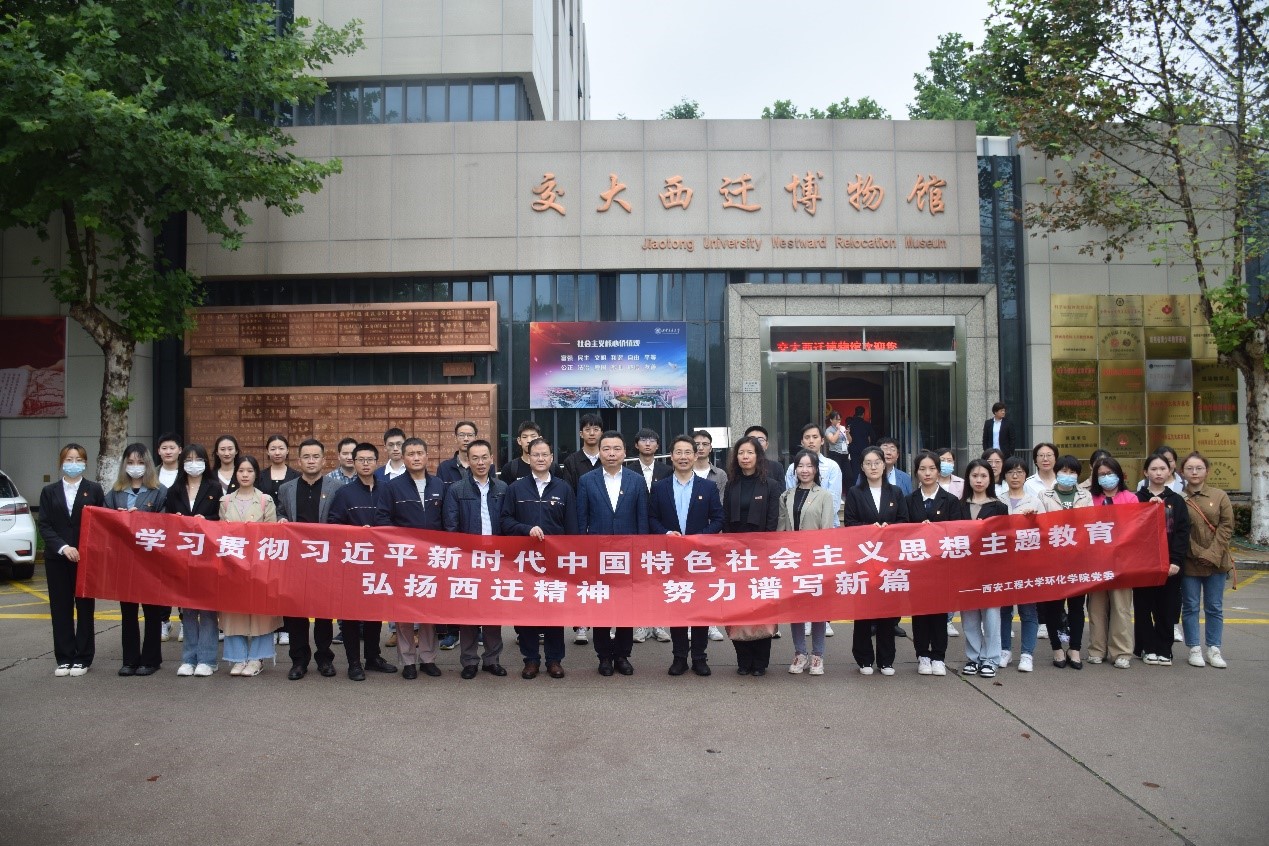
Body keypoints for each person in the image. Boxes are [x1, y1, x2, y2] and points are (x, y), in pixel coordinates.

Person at [500, 437, 578, 679]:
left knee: (554, 610)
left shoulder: (563, 488)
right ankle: (531, 659)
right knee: (527, 611)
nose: (541, 459)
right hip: (525, 562)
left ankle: (554, 660)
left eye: (545, 455)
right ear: (528, 458)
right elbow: (505, 521)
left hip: (555, 562)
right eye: (536, 455)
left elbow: (572, 528)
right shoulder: (516, 488)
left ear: (552, 458)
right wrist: (526, 529)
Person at [650, 434, 724, 677]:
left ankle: (700, 657)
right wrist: (665, 534)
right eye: (678, 452)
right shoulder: (659, 487)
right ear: (671, 457)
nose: (683, 457)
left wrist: (701, 537)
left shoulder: (708, 487)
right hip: (672, 557)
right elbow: (652, 518)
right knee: (677, 605)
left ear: (696, 455)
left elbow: (718, 518)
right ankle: (679, 657)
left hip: (699, 557)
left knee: (700, 607)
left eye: (688, 452)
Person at [577, 430, 649, 676]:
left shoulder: (636, 480)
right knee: (601, 605)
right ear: (599, 452)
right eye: (606, 449)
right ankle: (604, 656)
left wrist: (641, 553)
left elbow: (642, 520)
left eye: (616, 449)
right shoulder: (587, 480)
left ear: (625, 452)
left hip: (628, 555)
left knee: (626, 606)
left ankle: (622, 655)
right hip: (598, 555)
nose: (611, 453)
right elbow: (581, 520)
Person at [327, 442, 399, 681]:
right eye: (361, 460)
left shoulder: (387, 489)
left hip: (380, 562)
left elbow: (396, 520)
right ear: (354, 462)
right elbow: (334, 524)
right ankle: (354, 663)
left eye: (370, 459)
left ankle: (373, 657)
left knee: (374, 613)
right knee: (350, 614)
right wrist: (357, 532)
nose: (366, 464)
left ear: (377, 462)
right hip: (353, 561)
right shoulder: (344, 493)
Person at [376, 437, 446, 679]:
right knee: (404, 610)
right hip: (403, 558)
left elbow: (446, 520)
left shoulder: (439, 484)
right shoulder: (392, 487)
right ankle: (407, 661)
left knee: (428, 610)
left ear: (427, 455)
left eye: (419, 453)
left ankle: (428, 658)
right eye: (411, 454)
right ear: (403, 458)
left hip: (431, 558)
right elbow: (383, 519)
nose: (416, 458)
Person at [275, 438, 343, 680]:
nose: (311, 461)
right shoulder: (287, 488)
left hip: (325, 560)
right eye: (306, 457)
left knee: (324, 611)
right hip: (296, 560)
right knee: (296, 612)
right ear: (299, 460)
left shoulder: (336, 488)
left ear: (324, 460)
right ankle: (299, 660)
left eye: (316, 457)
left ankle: (324, 658)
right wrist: (281, 520)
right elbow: (280, 513)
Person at [442, 438, 508, 678]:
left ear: (492, 459)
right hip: (468, 559)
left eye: (484, 457)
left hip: (495, 558)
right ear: (467, 461)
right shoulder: (456, 490)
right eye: (475, 458)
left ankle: (492, 659)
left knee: (492, 610)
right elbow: (451, 527)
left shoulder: (502, 488)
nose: (480, 462)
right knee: (468, 611)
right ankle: (469, 661)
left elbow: (507, 522)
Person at [38, 443, 105, 677]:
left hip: (85, 559)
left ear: (85, 463)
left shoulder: (94, 489)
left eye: (78, 459)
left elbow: (102, 522)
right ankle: (64, 657)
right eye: (69, 459)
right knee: (60, 608)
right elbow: (44, 525)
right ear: (61, 462)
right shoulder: (49, 491)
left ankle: (83, 657)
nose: (73, 464)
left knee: (85, 607)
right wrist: (63, 547)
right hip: (57, 558)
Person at [104, 443, 169, 677]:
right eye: (130, 462)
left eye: (140, 462)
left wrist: (141, 519)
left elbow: (166, 524)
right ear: (124, 465)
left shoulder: (159, 491)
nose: (135, 467)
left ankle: (151, 660)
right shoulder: (115, 492)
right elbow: (104, 522)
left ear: (148, 465)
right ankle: (130, 660)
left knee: (152, 612)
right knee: (128, 612)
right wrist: (118, 518)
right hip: (124, 561)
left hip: (150, 562)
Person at [844, 446, 909, 676]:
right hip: (863, 560)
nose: (873, 467)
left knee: (887, 611)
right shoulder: (855, 492)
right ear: (862, 467)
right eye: (868, 463)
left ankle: (886, 660)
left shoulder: (896, 493)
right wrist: (870, 529)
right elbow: (849, 523)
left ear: (884, 464)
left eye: (877, 462)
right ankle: (864, 659)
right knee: (863, 611)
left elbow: (904, 522)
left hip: (889, 560)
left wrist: (888, 529)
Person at [721, 435, 783, 676]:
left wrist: (761, 550)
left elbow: (772, 521)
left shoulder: (771, 485)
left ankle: (760, 662)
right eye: (741, 453)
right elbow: (726, 520)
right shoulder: (731, 484)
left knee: (761, 608)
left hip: (761, 555)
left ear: (758, 456)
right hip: (736, 556)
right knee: (738, 608)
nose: (745, 457)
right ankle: (743, 660)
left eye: (750, 452)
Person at [218, 455, 283, 677]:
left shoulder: (265, 500)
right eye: (241, 471)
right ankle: (237, 658)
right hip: (233, 567)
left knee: (260, 613)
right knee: (233, 612)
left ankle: (257, 658)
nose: (245, 475)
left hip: (259, 566)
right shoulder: (225, 501)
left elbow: (272, 536)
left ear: (256, 474)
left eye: (250, 471)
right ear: (235, 474)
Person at [164, 444, 222, 676]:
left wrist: (206, 520)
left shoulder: (214, 487)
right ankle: (189, 658)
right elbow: (166, 520)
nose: (193, 463)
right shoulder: (174, 489)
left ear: (206, 462)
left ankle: (208, 660)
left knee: (207, 610)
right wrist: (176, 519)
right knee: (187, 609)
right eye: (188, 459)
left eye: (198, 459)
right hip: (183, 556)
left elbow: (221, 519)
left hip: (207, 555)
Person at [904, 451, 961, 677]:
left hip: (942, 567)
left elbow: (957, 532)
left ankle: (938, 656)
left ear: (938, 471)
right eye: (922, 469)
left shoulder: (951, 500)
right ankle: (922, 655)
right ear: (916, 472)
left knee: (939, 612)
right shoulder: (909, 500)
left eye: (931, 469)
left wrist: (936, 531)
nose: (927, 473)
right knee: (920, 613)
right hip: (918, 567)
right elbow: (902, 532)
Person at [780, 449, 836, 676]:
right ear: (795, 470)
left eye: (809, 466)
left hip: (815, 559)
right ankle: (800, 652)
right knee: (796, 609)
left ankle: (817, 655)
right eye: (800, 466)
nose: (804, 470)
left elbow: (827, 530)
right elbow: (781, 529)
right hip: (792, 560)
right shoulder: (786, 495)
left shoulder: (824, 495)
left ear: (816, 469)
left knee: (817, 609)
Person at [1133, 454, 1191, 667]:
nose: (1158, 473)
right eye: (1153, 469)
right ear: (1145, 472)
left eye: (1162, 469)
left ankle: (1164, 649)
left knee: (1167, 607)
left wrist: (1175, 560)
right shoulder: (1136, 499)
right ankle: (1147, 647)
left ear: (1170, 472)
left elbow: (1182, 533)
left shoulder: (1176, 500)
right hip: (1142, 564)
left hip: (1170, 564)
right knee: (1143, 607)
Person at [1038, 455, 1094, 669]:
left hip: (1079, 560)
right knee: (1053, 606)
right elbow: (1041, 526)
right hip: (1053, 560)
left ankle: (1075, 649)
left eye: (1072, 472)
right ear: (1056, 472)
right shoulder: (1044, 496)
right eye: (1064, 471)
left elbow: (1090, 524)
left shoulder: (1085, 495)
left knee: (1077, 606)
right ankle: (1057, 649)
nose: (1068, 475)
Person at [1180, 451, 1233, 669]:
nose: (1194, 472)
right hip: (1190, 562)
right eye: (1190, 468)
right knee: (1190, 606)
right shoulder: (1178, 498)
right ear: (1182, 472)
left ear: (1207, 471)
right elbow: (1180, 530)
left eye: (1199, 468)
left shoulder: (1219, 496)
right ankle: (1194, 648)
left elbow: (1226, 527)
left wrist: (1211, 554)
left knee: (1214, 607)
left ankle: (1214, 648)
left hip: (1217, 562)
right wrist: (1198, 553)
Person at [1085, 455, 1138, 668]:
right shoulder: (1090, 499)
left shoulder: (1130, 498)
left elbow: (1135, 528)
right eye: (1102, 474)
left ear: (1119, 475)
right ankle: (1096, 649)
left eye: (1110, 473)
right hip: (1096, 561)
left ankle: (1121, 652)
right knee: (1096, 607)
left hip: (1121, 562)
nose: (1106, 477)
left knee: (1121, 608)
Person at [958, 459, 1009, 678]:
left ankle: (991, 658)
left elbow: (1005, 539)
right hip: (965, 570)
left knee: (991, 616)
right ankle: (974, 657)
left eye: (983, 476)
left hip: (991, 570)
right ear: (968, 478)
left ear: (991, 479)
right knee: (969, 616)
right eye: (974, 476)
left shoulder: (999, 507)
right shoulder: (959, 505)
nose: (979, 480)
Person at [998, 456, 1043, 673]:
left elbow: (1046, 532)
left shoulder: (1036, 501)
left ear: (1026, 475)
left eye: (1019, 472)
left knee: (1028, 611)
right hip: (1002, 564)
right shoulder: (998, 500)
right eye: (1010, 472)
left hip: (1028, 564)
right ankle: (1004, 650)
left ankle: (1027, 654)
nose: (1015, 476)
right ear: (1004, 476)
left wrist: (1034, 520)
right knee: (1004, 610)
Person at [627, 427, 672, 644]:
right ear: (636, 445)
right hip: (636, 530)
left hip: (660, 530)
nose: (647, 443)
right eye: (643, 440)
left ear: (657, 445)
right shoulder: (628, 470)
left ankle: (659, 623)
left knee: (660, 578)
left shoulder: (667, 470)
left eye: (652, 440)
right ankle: (640, 624)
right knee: (638, 579)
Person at [782, 424, 843, 526]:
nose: (811, 441)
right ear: (802, 442)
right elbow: (790, 499)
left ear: (822, 441)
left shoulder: (832, 467)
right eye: (807, 437)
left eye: (815, 437)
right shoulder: (793, 468)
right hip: (798, 524)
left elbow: (834, 501)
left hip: (827, 525)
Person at [561, 412, 604, 490]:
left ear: (601, 433)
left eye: (596, 429)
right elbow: (568, 492)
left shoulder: (607, 459)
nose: (592, 433)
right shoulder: (571, 462)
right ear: (581, 434)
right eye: (587, 429)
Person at [258, 433, 299, 502]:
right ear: (267, 451)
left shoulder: (297, 476)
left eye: (281, 448)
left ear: (287, 451)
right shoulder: (260, 476)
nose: (277, 453)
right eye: (273, 449)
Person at [437, 420, 478, 487]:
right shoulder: (444, 467)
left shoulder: (482, 466)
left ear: (475, 438)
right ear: (456, 438)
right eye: (462, 435)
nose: (466, 439)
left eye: (470, 435)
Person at [499, 420, 542, 484]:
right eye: (525, 437)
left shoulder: (551, 467)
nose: (529, 440)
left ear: (540, 439)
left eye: (533, 436)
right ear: (519, 441)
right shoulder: (509, 468)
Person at [845, 406, 875, 487]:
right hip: (865, 450)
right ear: (863, 414)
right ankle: (866, 487)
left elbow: (846, 437)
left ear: (855, 412)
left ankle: (855, 487)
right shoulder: (867, 424)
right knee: (866, 468)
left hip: (853, 450)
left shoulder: (850, 424)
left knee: (855, 470)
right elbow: (872, 437)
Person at [824, 410, 852, 488]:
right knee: (836, 476)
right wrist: (838, 430)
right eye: (836, 419)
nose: (839, 421)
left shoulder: (843, 427)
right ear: (831, 420)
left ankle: (848, 493)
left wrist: (847, 433)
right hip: (835, 454)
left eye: (839, 419)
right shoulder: (829, 430)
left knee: (849, 476)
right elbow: (832, 440)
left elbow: (850, 441)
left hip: (845, 454)